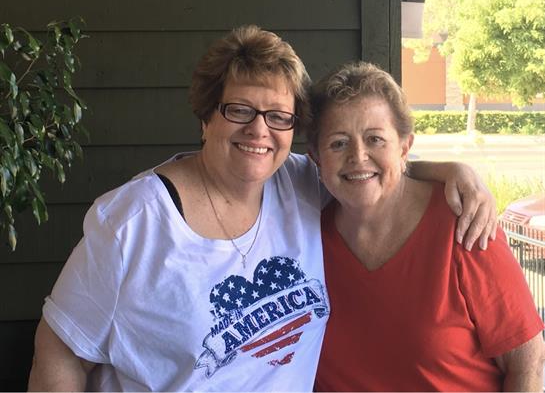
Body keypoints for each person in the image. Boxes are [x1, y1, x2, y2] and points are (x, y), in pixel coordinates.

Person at [29, 26, 497, 391]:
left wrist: (453, 171)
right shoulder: (132, 222)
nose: (259, 130)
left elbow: (366, 171)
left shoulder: (299, 183)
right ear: (206, 116)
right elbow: (60, 350)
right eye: (239, 110)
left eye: (278, 116)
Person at [310, 61, 545, 392]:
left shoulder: (463, 224)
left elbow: (527, 363)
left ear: (405, 147)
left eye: (375, 139)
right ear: (316, 157)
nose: (358, 156)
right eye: (338, 143)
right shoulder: (306, 239)